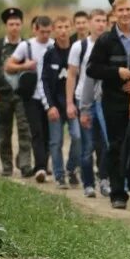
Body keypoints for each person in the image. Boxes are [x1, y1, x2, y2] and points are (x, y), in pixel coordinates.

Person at [87, 0, 130, 209]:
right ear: (114, 13)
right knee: (116, 146)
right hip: (112, 101)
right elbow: (92, 69)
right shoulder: (105, 40)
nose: (125, 13)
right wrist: (116, 73)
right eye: (120, 10)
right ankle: (118, 193)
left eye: (128, 9)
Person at [0, 8, 33, 178]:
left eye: (17, 24)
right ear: (6, 26)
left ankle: (25, 164)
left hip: (22, 96)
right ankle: (7, 165)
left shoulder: (28, 46)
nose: (14, 27)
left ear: (21, 25)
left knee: (25, 130)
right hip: (2, 95)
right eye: (11, 24)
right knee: (4, 131)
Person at [6, 15, 55, 183]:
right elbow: (9, 66)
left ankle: (44, 163)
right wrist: (24, 66)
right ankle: (40, 167)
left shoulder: (53, 46)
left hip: (49, 98)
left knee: (48, 134)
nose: (45, 35)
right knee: (37, 132)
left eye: (48, 32)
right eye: (42, 32)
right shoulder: (25, 46)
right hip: (31, 97)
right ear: (35, 29)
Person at [68, 8, 109, 198]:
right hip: (84, 99)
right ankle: (88, 183)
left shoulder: (110, 44)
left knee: (105, 144)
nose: (100, 24)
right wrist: (71, 103)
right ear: (90, 22)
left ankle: (104, 179)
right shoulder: (79, 46)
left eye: (103, 20)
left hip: (105, 99)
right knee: (87, 146)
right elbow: (72, 75)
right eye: (97, 20)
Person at [41, 16, 81, 189]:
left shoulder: (76, 50)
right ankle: (59, 175)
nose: (63, 30)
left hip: (73, 105)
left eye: (66, 27)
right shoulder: (50, 54)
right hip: (56, 105)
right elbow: (45, 82)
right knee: (56, 141)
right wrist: (50, 106)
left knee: (78, 137)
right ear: (54, 30)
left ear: (71, 28)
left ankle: (71, 168)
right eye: (59, 27)